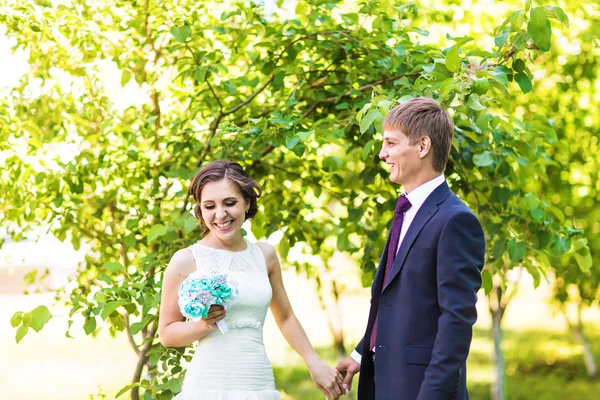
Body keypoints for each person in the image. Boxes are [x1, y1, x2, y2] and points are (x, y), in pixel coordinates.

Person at [336, 98, 486, 400]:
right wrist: (360, 354)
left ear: (422, 146)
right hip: (386, 383)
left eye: (391, 143)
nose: (382, 153)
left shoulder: (455, 220)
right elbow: (401, 304)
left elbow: (456, 322)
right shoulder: (407, 210)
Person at [158, 160, 344, 400]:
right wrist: (202, 325)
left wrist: (313, 362)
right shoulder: (186, 260)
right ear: (200, 210)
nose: (220, 214)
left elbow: (286, 317)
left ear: (247, 202)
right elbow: (166, 333)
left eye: (230, 202)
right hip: (208, 384)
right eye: (209, 206)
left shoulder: (264, 255)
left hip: (258, 381)